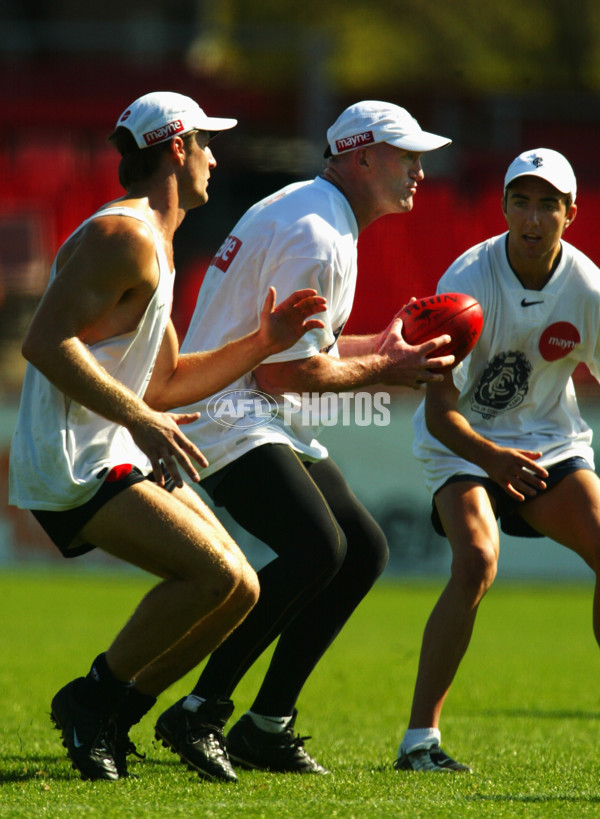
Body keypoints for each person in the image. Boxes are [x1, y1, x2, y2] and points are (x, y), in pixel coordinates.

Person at [8, 91, 328, 782]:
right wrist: (139, 418)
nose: (215, 157)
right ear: (177, 148)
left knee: (240, 588)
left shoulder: (156, 241)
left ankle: (113, 711)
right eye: (207, 143)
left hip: (113, 445)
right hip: (74, 458)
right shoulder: (121, 236)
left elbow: (168, 380)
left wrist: (263, 341)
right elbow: (43, 342)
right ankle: (92, 700)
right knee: (212, 574)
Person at [144, 100, 454, 781]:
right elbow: (289, 374)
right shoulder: (319, 231)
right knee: (320, 546)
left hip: (245, 406)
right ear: (362, 156)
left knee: (363, 549)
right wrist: (390, 368)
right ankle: (199, 708)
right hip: (225, 415)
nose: (420, 171)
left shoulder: (314, 213)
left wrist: (384, 347)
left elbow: (306, 356)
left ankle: (266, 724)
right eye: (407, 156)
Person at [395, 148, 600, 773]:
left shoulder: (588, 289)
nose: (532, 218)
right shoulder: (468, 278)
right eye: (520, 201)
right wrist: (495, 460)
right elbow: (439, 413)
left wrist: (521, 459)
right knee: (478, 560)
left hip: (550, 442)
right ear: (505, 206)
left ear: (570, 212)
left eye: (547, 205)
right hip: (464, 442)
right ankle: (419, 741)